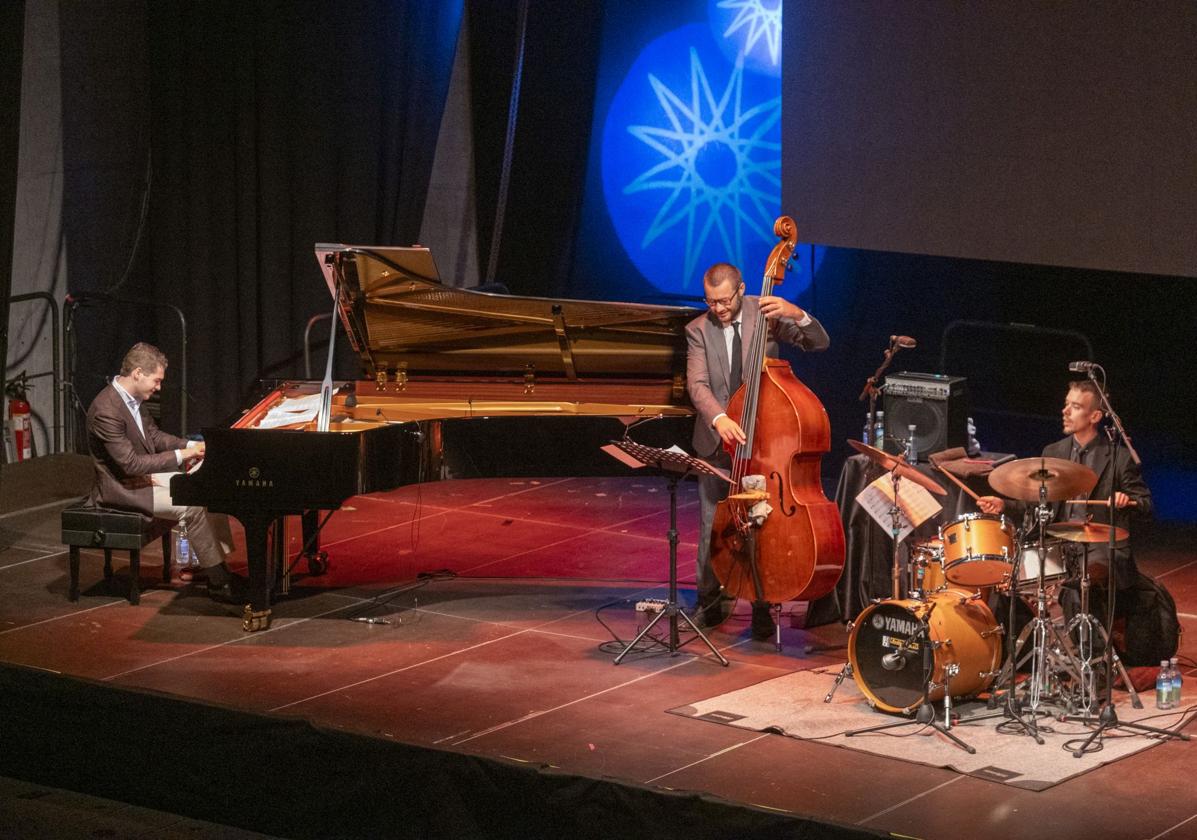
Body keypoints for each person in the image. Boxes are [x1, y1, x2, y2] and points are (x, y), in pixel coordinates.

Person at [686, 262, 830, 639]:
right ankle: (709, 603)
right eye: (710, 301)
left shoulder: (765, 313)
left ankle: (763, 606)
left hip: (763, 442)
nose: (717, 308)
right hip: (718, 442)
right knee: (710, 526)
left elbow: (820, 343)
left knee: (764, 524)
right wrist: (720, 418)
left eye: (723, 300)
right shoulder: (697, 330)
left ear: (741, 289)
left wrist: (796, 314)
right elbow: (698, 385)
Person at [976, 379, 1152, 610]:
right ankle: (1029, 643)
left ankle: (1087, 644)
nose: (1065, 411)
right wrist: (1003, 505)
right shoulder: (1053, 452)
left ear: (1095, 417)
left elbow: (1146, 505)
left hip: (1099, 548)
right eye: (1066, 404)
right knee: (1007, 582)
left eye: (1076, 407)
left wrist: (1125, 501)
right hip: (1059, 545)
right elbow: (1035, 506)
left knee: (1078, 588)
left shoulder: (1119, 457)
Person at [86, 342, 238, 600]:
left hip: (143, 480)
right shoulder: (106, 410)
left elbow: (154, 436)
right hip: (123, 489)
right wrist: (182, 455)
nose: (158, 387)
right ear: (137, 373)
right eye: (156, 381)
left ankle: (214, 564)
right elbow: (130, 464)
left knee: (207, 487)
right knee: (190, 504)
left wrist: (192, 445)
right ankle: (218, 579)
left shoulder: (133, 399)